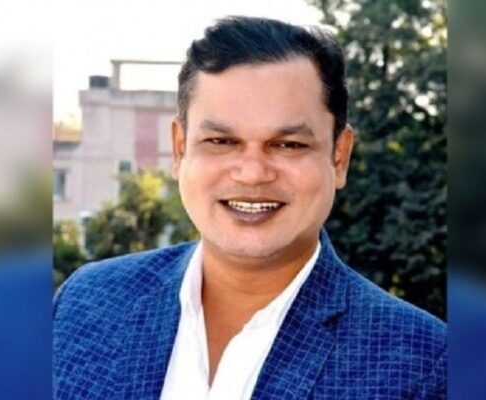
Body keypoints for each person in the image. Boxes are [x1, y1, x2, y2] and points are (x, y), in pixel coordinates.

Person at [53, 16, 446, 400]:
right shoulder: (86, 304)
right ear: (179, 149)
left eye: (288, 145)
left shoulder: (423, 365)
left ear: (339, 157)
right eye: (221, 142)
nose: (253, 173)